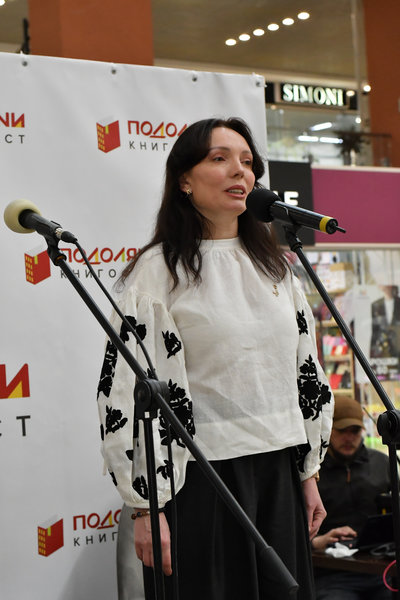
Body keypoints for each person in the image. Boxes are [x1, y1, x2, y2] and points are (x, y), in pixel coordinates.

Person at [96, 117, 333, 600]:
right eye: (220, 159)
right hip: (200, 477)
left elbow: (304, 374)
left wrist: (308, 474)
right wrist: (145, 506)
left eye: (247, 162)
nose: (239, 171)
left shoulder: (275, 266)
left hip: (278, 471)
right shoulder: (158, 271)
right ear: (184, 179)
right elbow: (123, 394)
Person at [312, 395, 392, 600]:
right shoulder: (311, 474)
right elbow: (290, 527)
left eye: (354, 431)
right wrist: (316, 541)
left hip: (380, 570)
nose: (349, 438)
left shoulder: (382, 464)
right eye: (342, 431)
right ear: (328, 429)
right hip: (330, 573)